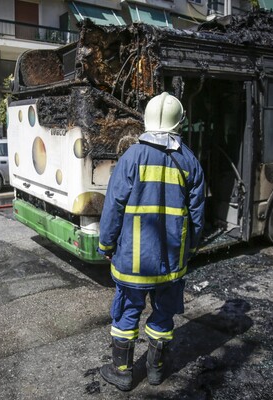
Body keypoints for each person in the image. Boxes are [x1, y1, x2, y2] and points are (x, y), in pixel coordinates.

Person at [97, 92, 206, 391]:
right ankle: (156, 371)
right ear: (178, 123)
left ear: (147, 120)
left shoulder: (132, 156)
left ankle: (122, 372)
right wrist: (190, 250)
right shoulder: (190, 162)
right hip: (172, 262)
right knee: (163, 314)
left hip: (133, 260)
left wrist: (106, 245)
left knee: (126, 313)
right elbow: (197, 215)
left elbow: (113, 206)